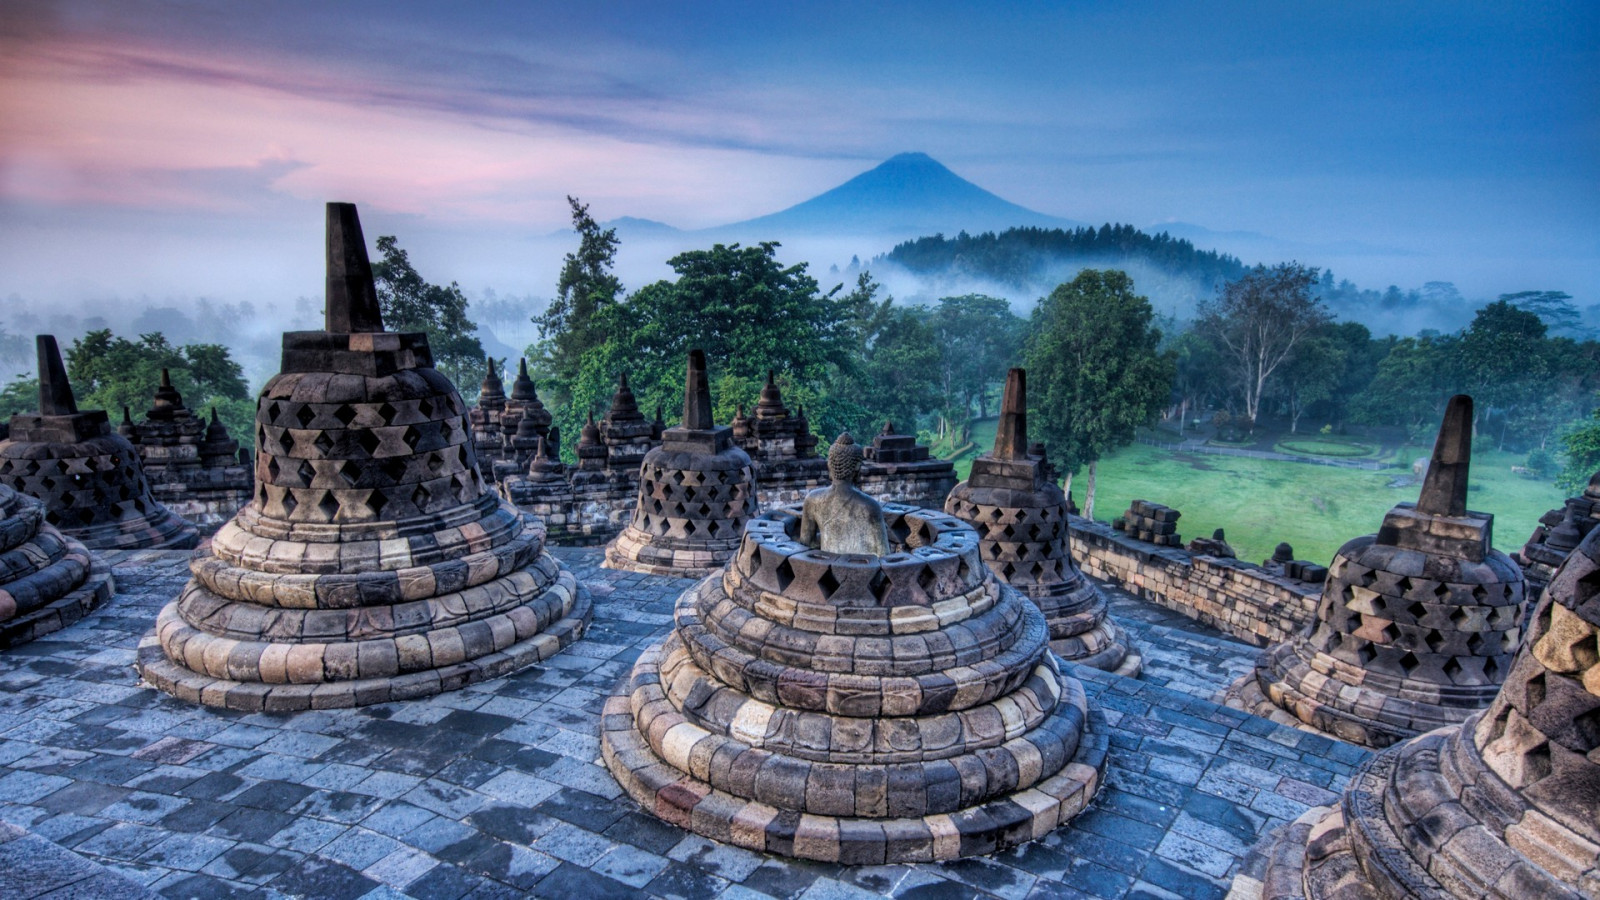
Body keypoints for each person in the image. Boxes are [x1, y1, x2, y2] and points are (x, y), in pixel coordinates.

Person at [798, 432, 889, 555]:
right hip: (864, 571)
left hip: (827, 570)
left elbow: (805, 547)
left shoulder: (812, 500)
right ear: (857, 467)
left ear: (829, 465)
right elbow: (883, 555)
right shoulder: (870, 506)